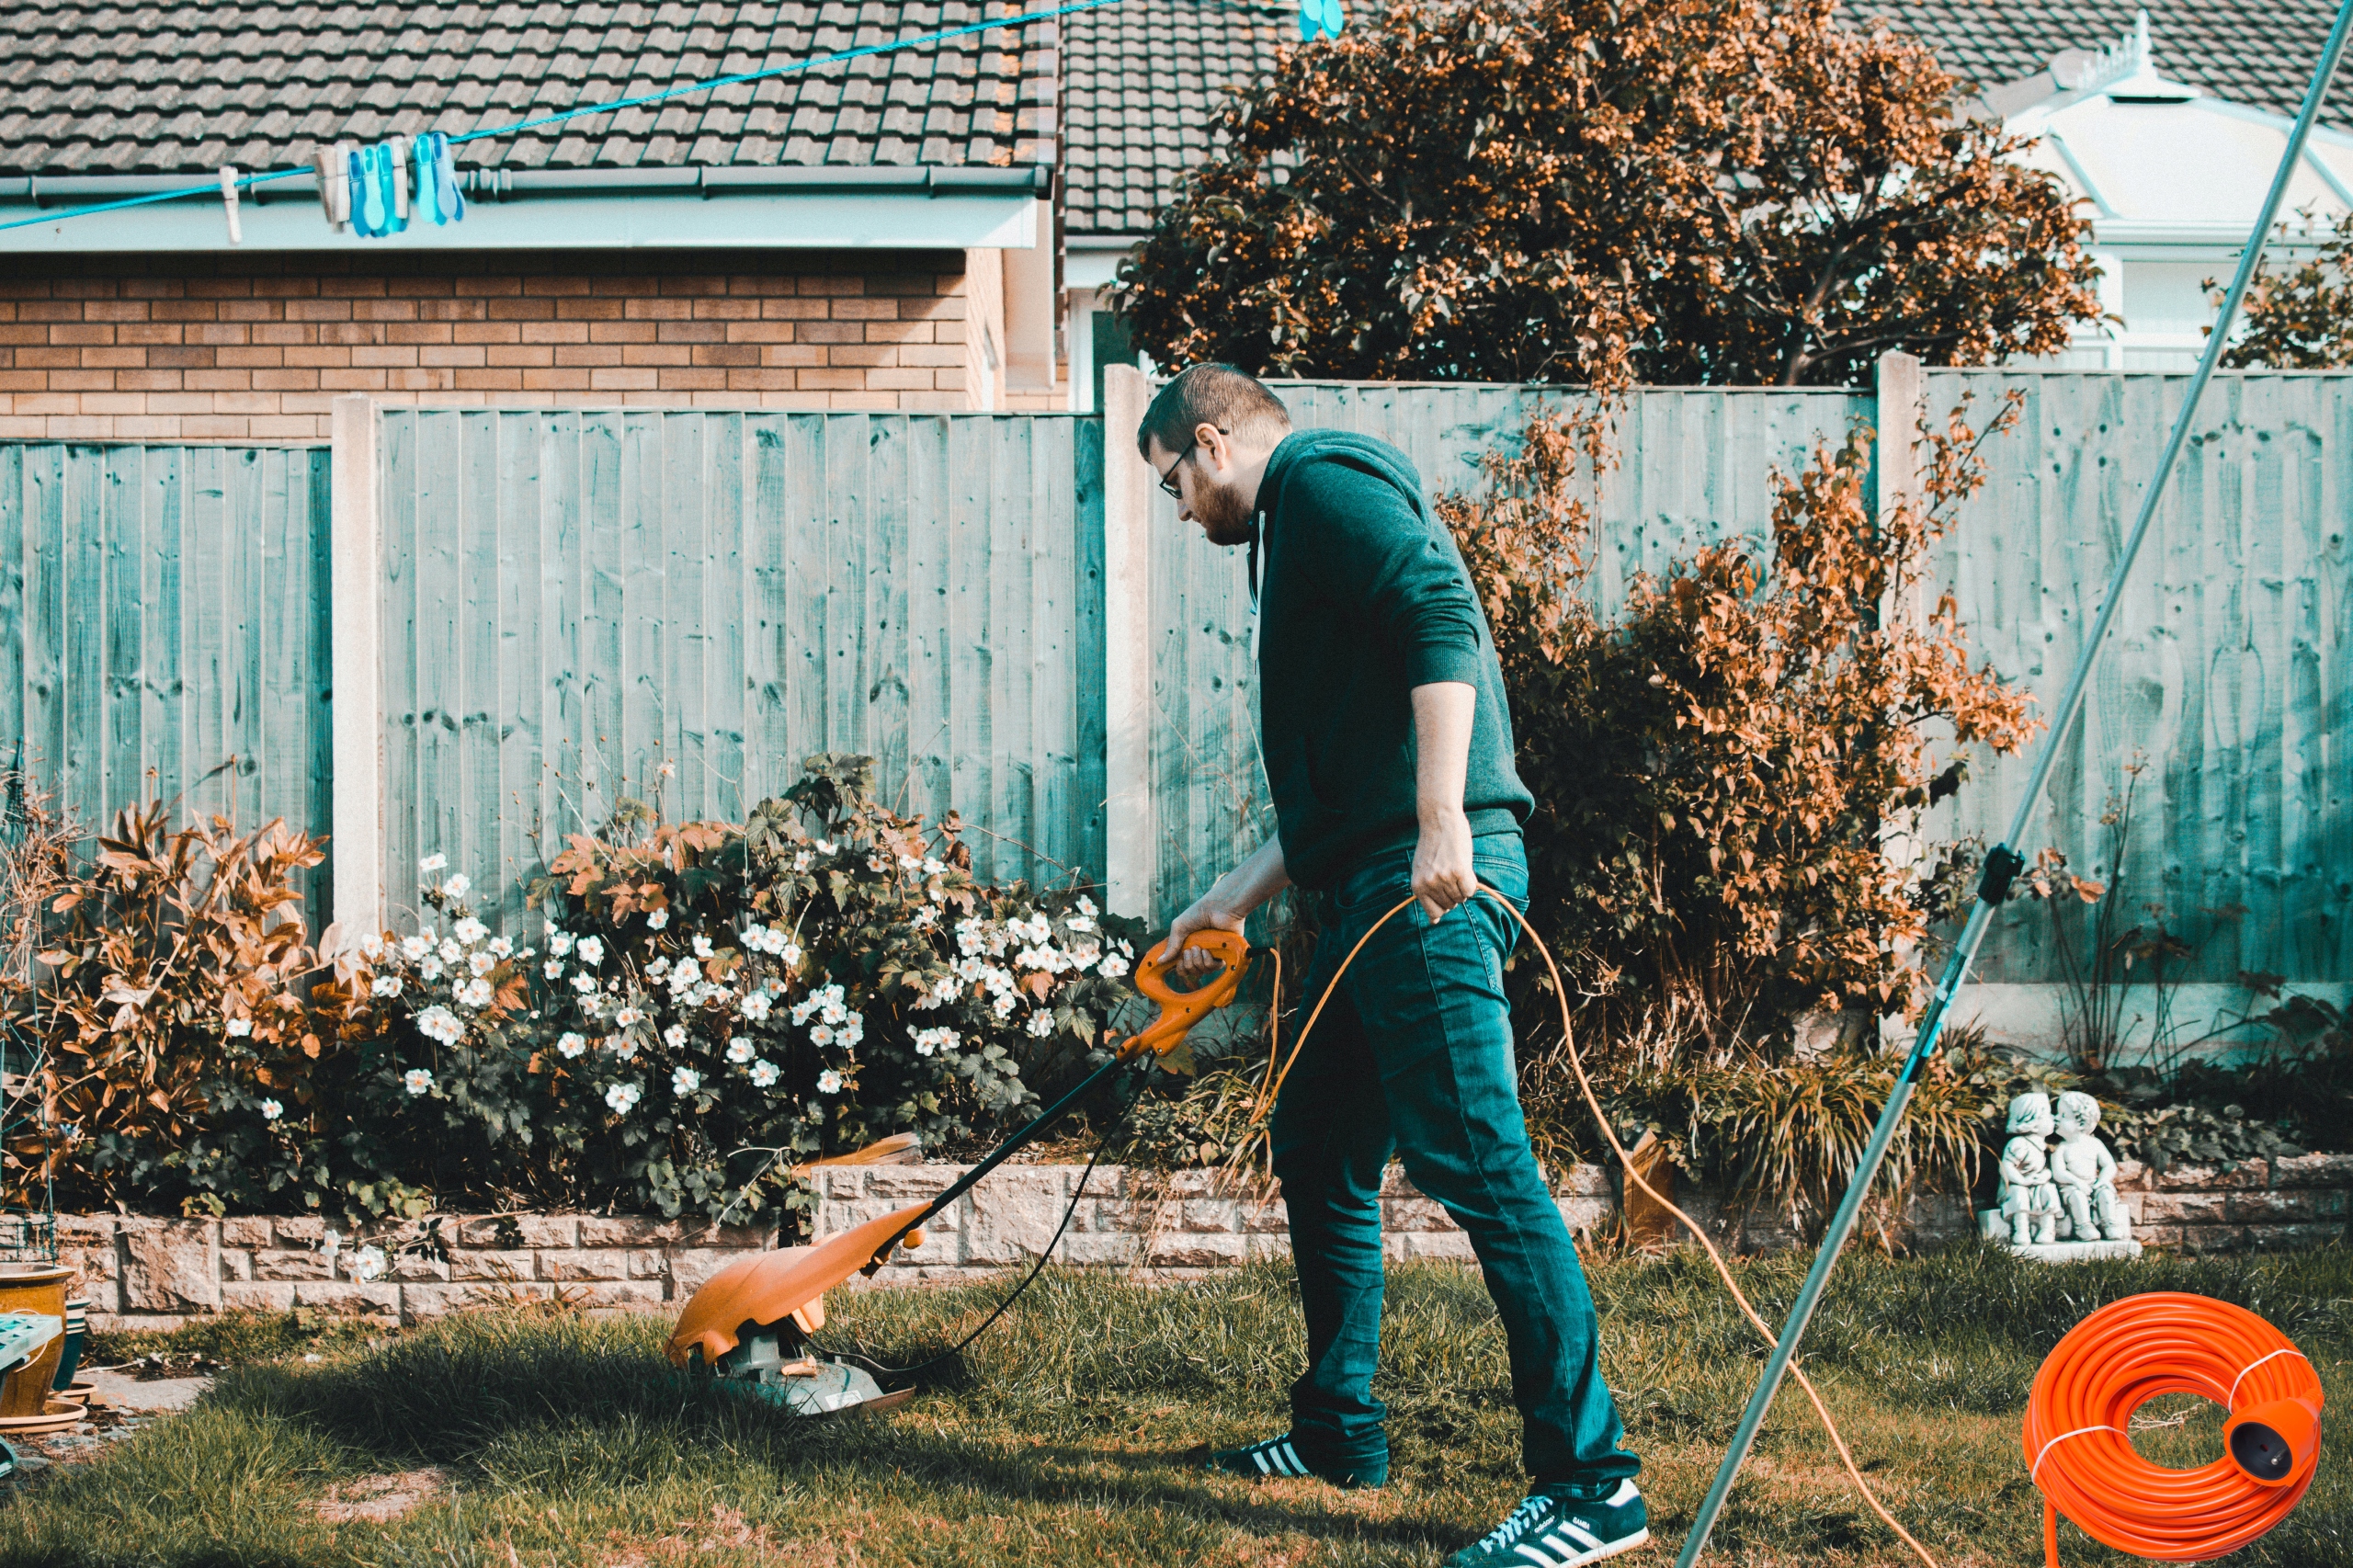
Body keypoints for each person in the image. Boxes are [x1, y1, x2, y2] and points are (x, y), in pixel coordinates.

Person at [1141, 365, 1646, 1567]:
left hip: (1424, 888)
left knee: (1475, 1158)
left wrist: (1440, 818)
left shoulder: (1323, 479)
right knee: (1318, 1139)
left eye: (1171, 483)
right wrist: (1229, 899)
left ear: (1212, 443)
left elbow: (1436, 611)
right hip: (1372, 882)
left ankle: (1592, 1487)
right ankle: (1338, 1430)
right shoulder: (1294, 530)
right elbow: (1338, 778)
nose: (1177, 511)